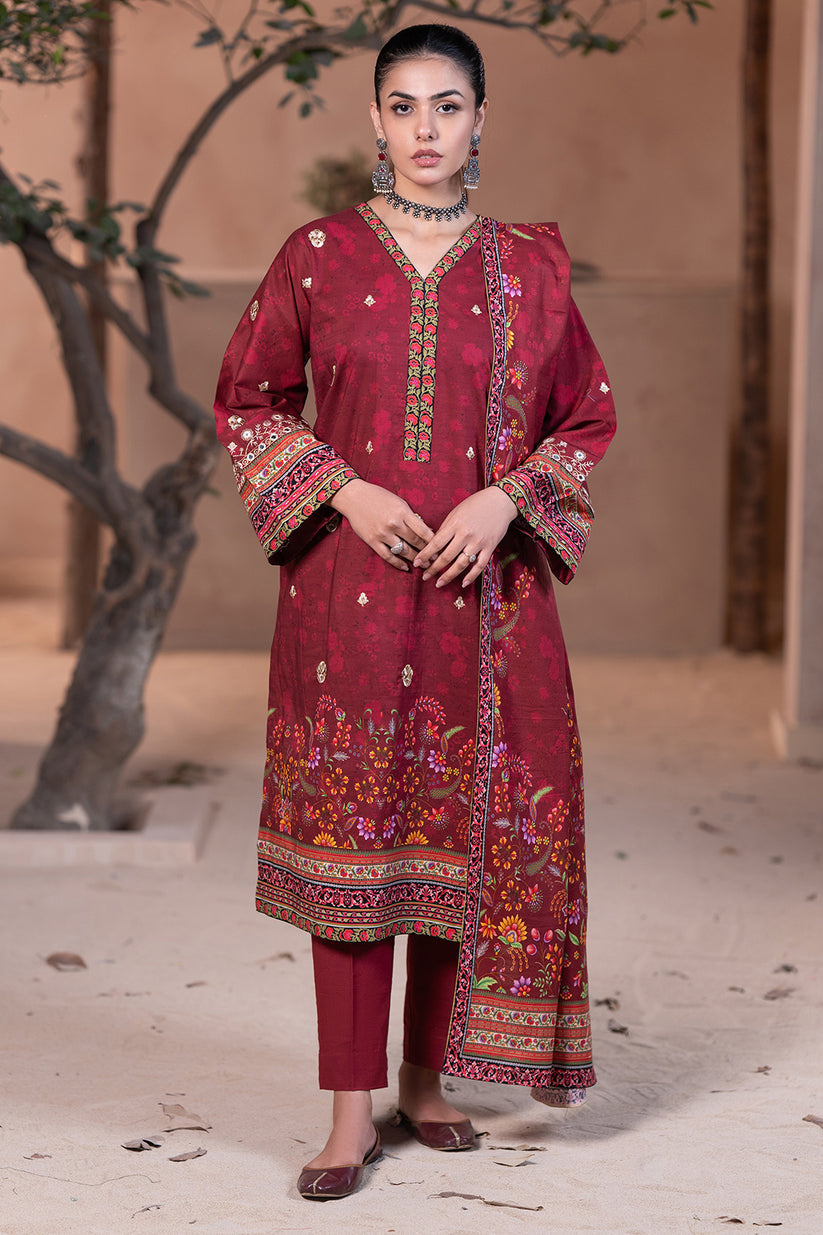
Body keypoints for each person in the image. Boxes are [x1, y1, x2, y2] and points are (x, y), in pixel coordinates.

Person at [214, 23, 616, 1201]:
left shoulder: (531, 267)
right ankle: (349, 1116)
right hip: (350, 596)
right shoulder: (317, 254)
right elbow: (247, 397)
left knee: (464, 835)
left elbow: (585, 418)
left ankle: (427, 1082)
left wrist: (505, 498)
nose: (427, 128)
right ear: (374, 122)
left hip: (489, 600)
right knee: (354, 851)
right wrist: (344, 484)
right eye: (404, 106)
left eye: (449, 106)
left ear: (481, 121)